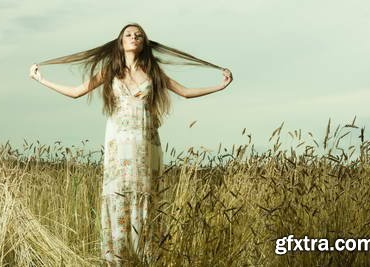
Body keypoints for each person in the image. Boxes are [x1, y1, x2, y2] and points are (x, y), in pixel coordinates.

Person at [29, 23, 233, 266]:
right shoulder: (111, 71)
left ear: (143, 42)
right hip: (119, 141)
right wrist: (41, 79)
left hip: (146, 142)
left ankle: (145, 257)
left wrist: (220, 86)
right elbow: (76, 91)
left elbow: (185, 92)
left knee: (145, 194)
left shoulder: (153, 72)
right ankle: (117, 259)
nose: (134, 37)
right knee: (119, 193)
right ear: (121, 42)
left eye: (138, 35)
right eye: (128, 35)